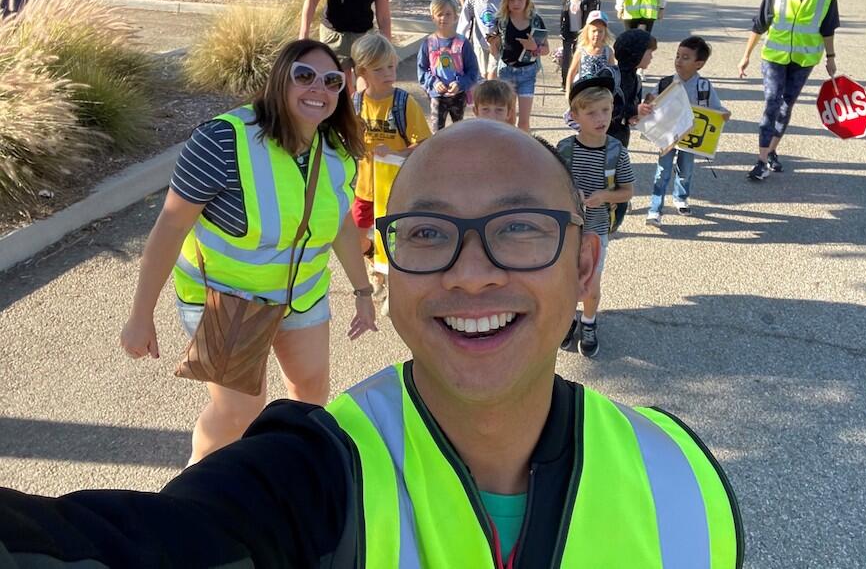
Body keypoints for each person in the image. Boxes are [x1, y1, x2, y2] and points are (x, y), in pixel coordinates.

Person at [0, 121, 744, 568]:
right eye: (427, 233)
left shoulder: (683, 479)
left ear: (585, 265)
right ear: (392, 274)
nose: (472, 274)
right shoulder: (310, 479)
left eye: (520, 228)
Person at [119, 39, 378, 464]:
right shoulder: (222, 141)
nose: (319, 88)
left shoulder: (335, 149)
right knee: (237, 413)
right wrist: (140, 316)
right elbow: (170, 227)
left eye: (332, 81)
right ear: (280, 79)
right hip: (227, 302)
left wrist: (363, 292)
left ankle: (289, 481)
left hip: (301, 297)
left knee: (310, 394)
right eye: (304, 75)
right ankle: (193, 496)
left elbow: (340, 225)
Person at [736, 0, 839, 181]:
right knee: (772, 101)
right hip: (774, 55)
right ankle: (761, 161)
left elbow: (828, 25)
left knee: (786, 105)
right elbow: (761, 21)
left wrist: (830, 57)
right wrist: (746, 55)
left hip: (804, 58)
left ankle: (772, 151)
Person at [558, 78, 635, 358]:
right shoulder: (564, 149)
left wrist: (603, 196)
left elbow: (627, 191)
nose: (601, 118)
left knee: (591, 285)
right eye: (591, 113)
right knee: (565, 281)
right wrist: (569, 190)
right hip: (566, 231)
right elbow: (551, 184)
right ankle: (567, 319)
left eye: (605, 109)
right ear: (575, 116)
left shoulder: (617, 152)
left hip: (596, 229)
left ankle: (588, 322)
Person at [349, 33, 431, 258]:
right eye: (378, 69)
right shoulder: (356, 103)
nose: (388, 73)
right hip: (364, 189)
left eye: (391, 67)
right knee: (354, 239)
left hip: (395, 189)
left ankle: (388, 280)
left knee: (394, 243)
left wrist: (395, 153)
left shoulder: (404, 103)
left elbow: (424, 144)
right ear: (362, 72)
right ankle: (373, 256)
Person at [644, 37, 731, 225]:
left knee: (686, 170)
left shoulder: (704, 86)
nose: (678, 61)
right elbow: (651, 103)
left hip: (691, 139)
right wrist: (649, 101)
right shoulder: (666, 82)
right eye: (677, 56)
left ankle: (680, 197)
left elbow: (715, 108)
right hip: (668, 136)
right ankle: (655, 208)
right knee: (662, 171)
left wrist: (724, 114)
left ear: (698, 64)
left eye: (685, 57)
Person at [486, 0, 549, 133]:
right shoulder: (501, 21)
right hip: (506, 72)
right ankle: (508, 153)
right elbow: (495, 52)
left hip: (527, 73)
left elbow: (546, 49)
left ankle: (523, 154)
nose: (515, 3)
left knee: (524, 122)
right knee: (508, 118)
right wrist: (493, 43)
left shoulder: (535, 20)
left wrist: (534, 47)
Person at [416, 0, 480, 132]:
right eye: (439, 14)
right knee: (437, 132)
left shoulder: (463, 44)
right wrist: (433, 82)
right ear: (433, 17)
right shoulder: (428, 43)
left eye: (448, 14)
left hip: (458, 95)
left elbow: (473, 70)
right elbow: (422, 69)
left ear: (455, 17)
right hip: (437, 95)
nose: (443, 18)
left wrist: (460, 83)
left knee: (458, 130)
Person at [612, 28, 658, 147]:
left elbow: (630, 116)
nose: (651, 57)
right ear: (637, 53)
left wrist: (642, 110)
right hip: (601, 136)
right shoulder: (611, 76)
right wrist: (634, 110)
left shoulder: (636, 80)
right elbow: (603, 106)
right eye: (649, 53)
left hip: (621, 136)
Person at [458, 0, 502, 80]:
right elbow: (465, 18)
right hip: (479, 41)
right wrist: (459, 40)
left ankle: (494, 96)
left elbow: (506, 19)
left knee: (493, 75)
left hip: (497, 43)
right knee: (482, 75)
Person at [559, 0, 599, 90]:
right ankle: (565, 82)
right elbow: (563, 17)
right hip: (568, 33)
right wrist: (562, 31)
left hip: (581, 33)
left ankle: (579, 81)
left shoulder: (586, 0)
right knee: (567, 58)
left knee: (580, 58)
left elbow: (590, 17)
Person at [564, 10, 615, 99]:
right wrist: (568, 91)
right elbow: (572, 72)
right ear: (587, 31)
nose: (597, 34)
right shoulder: (581, 50)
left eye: (600, 31)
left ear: (605, 32)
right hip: (583, 92)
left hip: (601, 94)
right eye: (593, 31)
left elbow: (613, 74)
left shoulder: (608, 51)